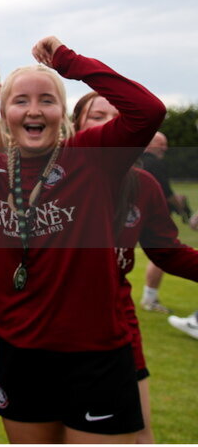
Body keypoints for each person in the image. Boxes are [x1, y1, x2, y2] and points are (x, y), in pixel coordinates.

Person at [0, 35, 165, 443]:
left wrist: (68, 61)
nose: (34, 110)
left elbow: (148, 111)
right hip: (22, 355)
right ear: (5, 112)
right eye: (21, 101)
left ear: (62, 112)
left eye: (47, 100)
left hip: (96, 355)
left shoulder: (92, 156)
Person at [73, 91, 198, 443]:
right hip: (53, 330)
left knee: (139, 434)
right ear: (76, 127)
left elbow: (168, 251)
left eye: (119, 116)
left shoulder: (143, 185)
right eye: (98, 116)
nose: (112, 125)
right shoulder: (53, 180)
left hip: (117, 322)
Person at [138, 131, 196, 314]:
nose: (165, 147)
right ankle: (149, 298)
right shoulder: (154, 163)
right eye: (161, 143)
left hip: (138, 215)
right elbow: (169, 195)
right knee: (162, 254)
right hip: (151, 218)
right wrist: (186, 212)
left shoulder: (137, 161)